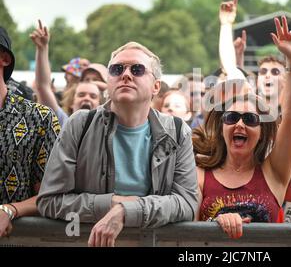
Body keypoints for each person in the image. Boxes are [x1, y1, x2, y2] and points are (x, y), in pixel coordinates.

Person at [37, 41, 198, 247]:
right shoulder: (79, 123)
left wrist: (126, 211)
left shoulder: (177, 131)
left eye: (137, 69)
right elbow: (49, 201)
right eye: (117, 69)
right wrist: (111, 204)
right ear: (108, 82)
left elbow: (186, 203)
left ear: (155, 86)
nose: (126, 74)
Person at [194, 16, 291, 239]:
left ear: (262, 131)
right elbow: (186, 232)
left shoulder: (274, 172)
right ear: (221, 125)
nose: (240, 124)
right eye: (232, 117)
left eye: (250, 119)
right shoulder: (201, 172)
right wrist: (217, 223)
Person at [0, 26, 60, 238]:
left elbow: (50, 195)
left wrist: (8, 210)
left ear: (4, 59)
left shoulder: (39, 117)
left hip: (21, 238)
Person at [31, 20, 102, 127]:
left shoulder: (107, 130)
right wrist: (42, 48)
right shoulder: (65, 123)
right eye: (81, 95)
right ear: (72, 103)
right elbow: (42, 87)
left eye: (93, 96)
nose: (87, 98)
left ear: (101, 105)